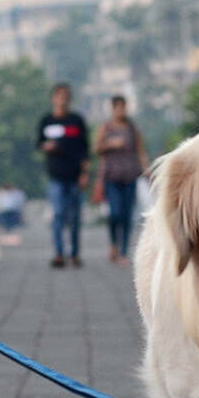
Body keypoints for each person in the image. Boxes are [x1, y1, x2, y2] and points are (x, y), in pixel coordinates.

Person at [38, 83, 90, 268]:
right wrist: (47, 146)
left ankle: (75, 253)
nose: (62, 99)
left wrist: (85, 173)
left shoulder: (77, 121)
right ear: (53, 98)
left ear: (70, 99)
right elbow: (39, 144)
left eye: (65, 96)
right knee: (58, 215)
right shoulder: (46, 121)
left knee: (75, 218)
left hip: (75, 176)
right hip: (56, 177)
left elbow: (85, 149)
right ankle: (59, 253)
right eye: (59, 95)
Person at [94, 95, 148, 264]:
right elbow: (96, 148)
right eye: (117, 107)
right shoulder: (106, 128)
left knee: (127, 215)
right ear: (113, 109)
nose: (121, 110)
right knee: (115, 213)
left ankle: (123, 252)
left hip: (130, 176)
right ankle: (113, 244)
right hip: (112, 177)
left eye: (123, 107)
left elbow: (140, 151)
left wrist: (147, 170)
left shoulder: (132, 129)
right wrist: (111, 144)